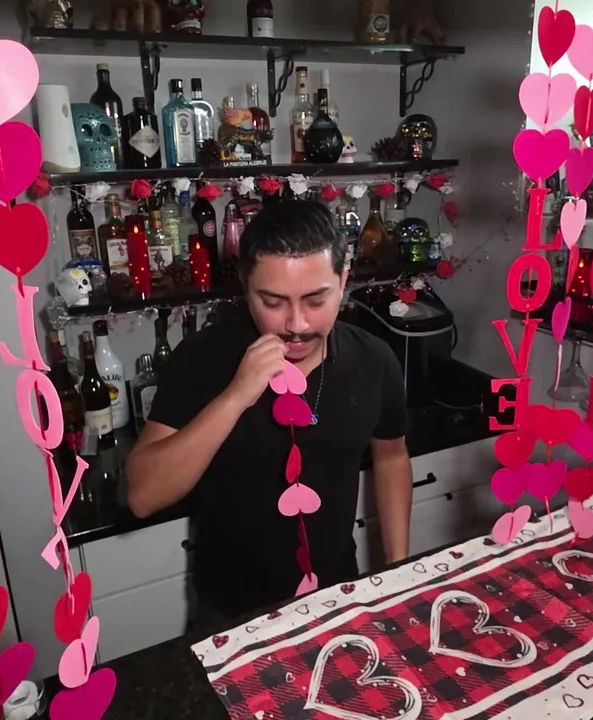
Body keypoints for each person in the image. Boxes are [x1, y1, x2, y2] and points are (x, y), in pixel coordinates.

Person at [126, 199, 413, 625]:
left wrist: (398, 569)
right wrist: (235, 396)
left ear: (343, 280)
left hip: (337, 593)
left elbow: (391, 457)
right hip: (228, 610)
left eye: (316, 299)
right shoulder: (202, 358)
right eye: (273, 302)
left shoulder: (374, 360)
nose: (296, 324)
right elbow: (142, 497)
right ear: (246, 286)